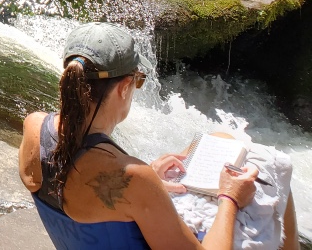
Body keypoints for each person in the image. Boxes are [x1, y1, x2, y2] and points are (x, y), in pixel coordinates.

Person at [19, 22, 299, 250]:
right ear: (124, 86)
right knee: (272, 164)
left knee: (218, 137)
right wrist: (230, 198)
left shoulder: (34, 127)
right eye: (138, 82)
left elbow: (79, 180)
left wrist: (150, 174)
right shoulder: (135, 180)